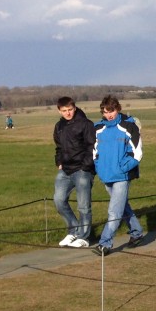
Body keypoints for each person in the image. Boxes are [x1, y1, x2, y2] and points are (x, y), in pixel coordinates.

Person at [92, 95, 144, 255]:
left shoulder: (129, 126)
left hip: (122, 176)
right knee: (122, 206)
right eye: (105, 112)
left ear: (118, 109)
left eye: (111, 111)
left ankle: (104, 243)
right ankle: (137, 232)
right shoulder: (98, 128)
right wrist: (99, 167)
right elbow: (94, 152)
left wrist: (123, 168)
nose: (109, 115)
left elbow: (137, 153)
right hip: (106, 175)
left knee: (114, 211)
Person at [53, 96, 96, 248]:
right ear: (59, 110)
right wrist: (59, 162)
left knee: (83, 206)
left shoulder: (86, 124)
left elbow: (92, 147)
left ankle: (84, 237)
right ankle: (73, 230)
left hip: (83, 170)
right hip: (65, 170)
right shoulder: (59, 126)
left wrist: (85, 166)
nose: (68, 113)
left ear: (75, 108)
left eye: (70, 110)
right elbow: (58, 147)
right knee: (59, 201)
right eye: (64, 111)